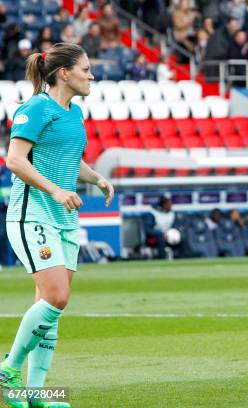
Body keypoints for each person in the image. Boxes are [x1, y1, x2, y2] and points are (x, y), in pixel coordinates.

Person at [0, 42, 114, 408]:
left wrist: (96, 178)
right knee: (56, 297)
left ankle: (34, 395)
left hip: (64, 219)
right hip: (31, 214)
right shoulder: (34, 108)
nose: (91, 75)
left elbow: (69, 159)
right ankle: (7, 371)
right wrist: (56, 189)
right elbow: (15, 160)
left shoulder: (74, 112)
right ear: (64, 72)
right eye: (86, 69)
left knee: (52, 306)